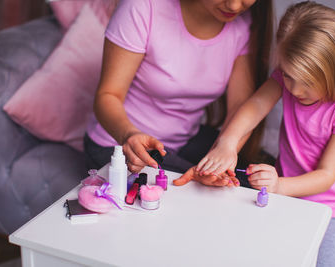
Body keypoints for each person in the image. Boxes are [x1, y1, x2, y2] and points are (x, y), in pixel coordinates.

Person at [184, 2, 335, 266]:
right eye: (288, 76)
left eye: (307, 82)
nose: (295, 89)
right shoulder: (286, 80)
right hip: (285, 195)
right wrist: (227, 143)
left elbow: (326, 176)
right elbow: (253, 107)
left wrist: (278, 186)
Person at [84, 0, 274, 186]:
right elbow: (108, 95)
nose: (234, 6)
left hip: (184, 140)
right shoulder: (142, 7)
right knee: (213, 190)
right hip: (119, 143)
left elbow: (239, 108)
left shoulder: (244, 23)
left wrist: (226, 150)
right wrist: (129, 134)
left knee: (258, 178)